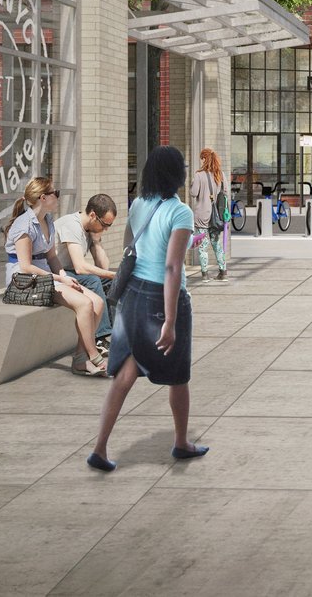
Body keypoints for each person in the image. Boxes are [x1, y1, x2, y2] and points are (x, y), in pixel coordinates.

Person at [89, 145, 207, 471]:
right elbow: (172, 267)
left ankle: (99, 447)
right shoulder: (180, 211)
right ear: (176, 174)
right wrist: (170, 320)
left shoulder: (139, 204)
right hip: (162, 298)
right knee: (178, 377)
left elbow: (131, 247)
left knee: (126, 373)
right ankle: (182, 442)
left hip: (134, 296)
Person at [5, 177, 107, 377]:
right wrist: (59, 279)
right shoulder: (24, 225)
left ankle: (79, 358)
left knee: (97, 302)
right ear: (43, 198)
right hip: (23, 281)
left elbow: (51, 257)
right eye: (55, 193)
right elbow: (25, 266)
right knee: (84, 304)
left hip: (46, 276)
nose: (58, 197)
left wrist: (63, 276)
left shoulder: (48, 220)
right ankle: (93, 354)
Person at [52, 194, 118, 350]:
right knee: (93, 280)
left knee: (112, 282)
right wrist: (112, 274)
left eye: (109, 225)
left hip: (71, 271)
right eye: (104, 224)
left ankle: (115, 334)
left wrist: (96, 241)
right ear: (93, 215)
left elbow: (103, 267)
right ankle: (99, 338)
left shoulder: (90, 229)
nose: (106, 229)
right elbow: (80, 267)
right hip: (56, 273)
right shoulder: (72, 225)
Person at [188, 148, 227, 282]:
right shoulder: (220, 174)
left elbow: (193, 193)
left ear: (204, 159)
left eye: (202, 158)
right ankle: (223, 272)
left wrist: (193, 183)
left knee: (203, 246)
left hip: (202, 216)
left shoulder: (199, 175)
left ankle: (205, 275)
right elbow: (225, 193)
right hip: (216, 217)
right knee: (216, 244)